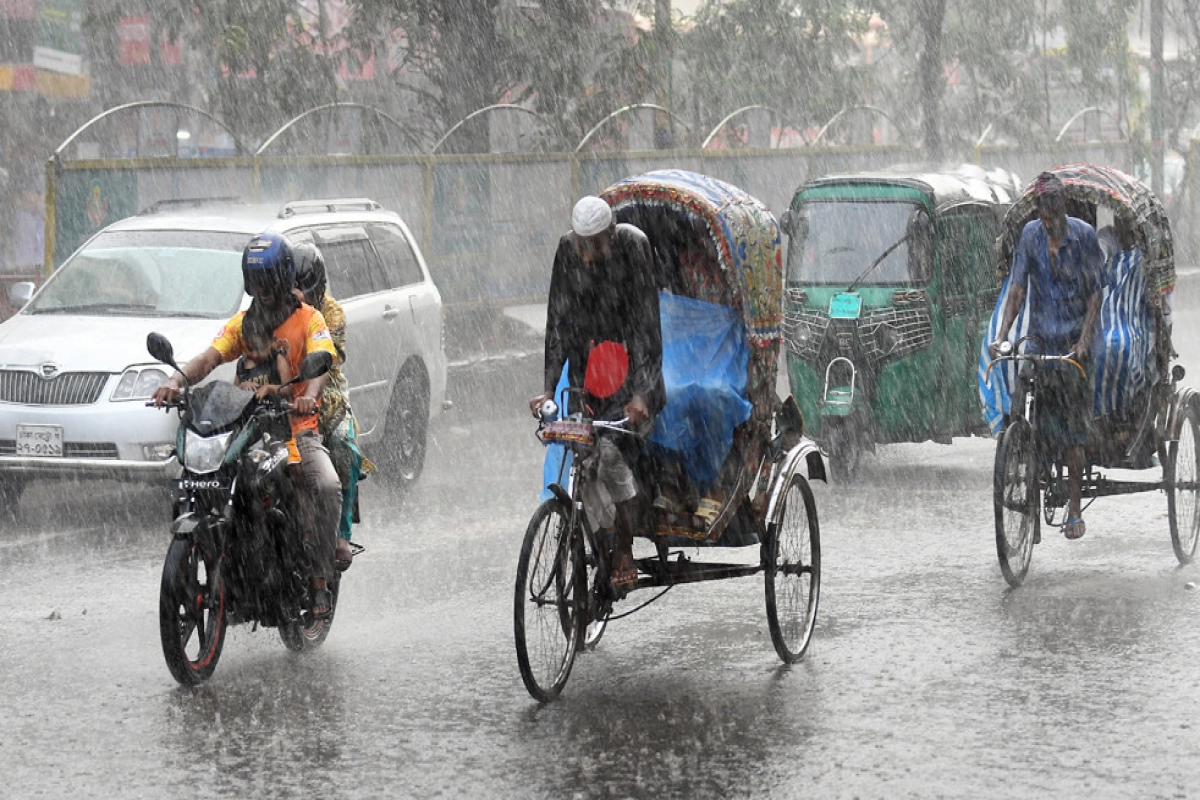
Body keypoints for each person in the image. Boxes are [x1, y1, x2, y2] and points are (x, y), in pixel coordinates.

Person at [152, 232, 341, 617]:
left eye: (269, 282)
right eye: (256, 283)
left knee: (325, 484)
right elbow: (209, 358)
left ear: (284, 278)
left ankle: (320, 578)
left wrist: (308, 394)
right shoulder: (243, 323)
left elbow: (323, 357)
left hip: (295, 427)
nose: (263, 291)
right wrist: (177, 381)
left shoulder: (310, 318)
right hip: (250, 431)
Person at [528, 196, 665, 591]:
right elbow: (557, 324)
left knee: (609, 456)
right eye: (581, 246)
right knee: (582, 460)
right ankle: (601, 541)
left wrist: (641, 393)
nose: (587, 257)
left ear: (609, 234)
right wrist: (548, 388)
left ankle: (623, 549)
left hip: (631, 379)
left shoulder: (633, 246)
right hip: (588, 377)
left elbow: (646, 329)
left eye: (595, 246)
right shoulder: (566, 252)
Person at [990, 172, 1104, 540]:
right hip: (1041, 339)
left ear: (1063, 207)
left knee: (1073, 431)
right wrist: (1003, 336)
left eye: (1053, 209)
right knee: (1022, 385)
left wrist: (1084, 342)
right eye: (1042, 210)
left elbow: (1094, 296)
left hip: (1075, 341)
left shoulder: (1084, 236)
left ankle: (1073, 510)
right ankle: (1026, 459)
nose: (1047, 218)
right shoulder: (1030, 236)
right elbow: (1018, 289)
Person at [292, 242, 372, 571]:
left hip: (324, 384)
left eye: (302, 287)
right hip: (283, 386)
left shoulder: (332, 313)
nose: (296, 294)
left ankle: (341, 533)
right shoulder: (273, 311)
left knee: (342, 444)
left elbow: (328, 358)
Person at [235, 310, 292, 400]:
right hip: (251, 413)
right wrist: (241, 387)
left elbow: (288, 389)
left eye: (260, 348)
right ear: (243, 341)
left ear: (272, 341)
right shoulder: (242, 365)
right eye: (250, 348)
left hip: (274, 411)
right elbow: (232, 392)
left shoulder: (277, 359)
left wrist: (269, 388)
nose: (255, 354)